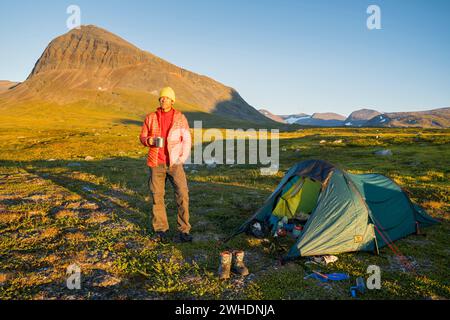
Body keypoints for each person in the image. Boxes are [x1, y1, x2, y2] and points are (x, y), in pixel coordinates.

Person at [139, 87, 193, 243]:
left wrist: (182, 158)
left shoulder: (180, 118)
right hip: (156, 162)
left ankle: (184, 230)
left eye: (167, 98)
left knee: (183, 194)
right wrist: (148, 140)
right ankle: (161, 230)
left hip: (175, 163)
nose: (163, 100)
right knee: (157, 196)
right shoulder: (150, 117)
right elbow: (143, 136)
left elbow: (186, 139)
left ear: (172, 101)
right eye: (161, 98)